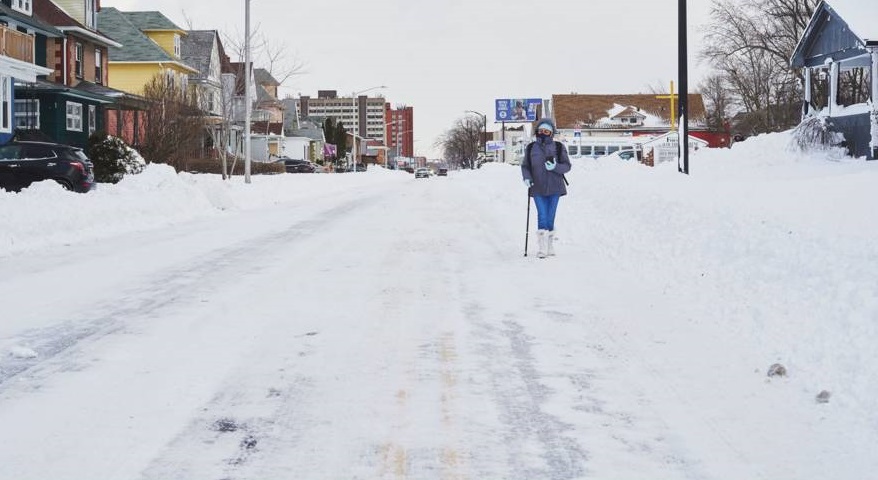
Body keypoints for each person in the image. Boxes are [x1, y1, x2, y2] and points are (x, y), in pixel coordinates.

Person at [521, 118, 571, 258]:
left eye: (546, 131)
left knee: (550, 216)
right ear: (537, 132)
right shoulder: (531, 147)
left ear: (551, 133)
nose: (543, 133)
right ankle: (542, 247)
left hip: (555, 187)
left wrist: (555, 167)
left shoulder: (559, 147)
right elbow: (525, 166)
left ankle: (549, 245)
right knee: (542, 215)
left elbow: (567, 166)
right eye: (540, 130)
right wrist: (527, 177)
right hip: (537, 187)